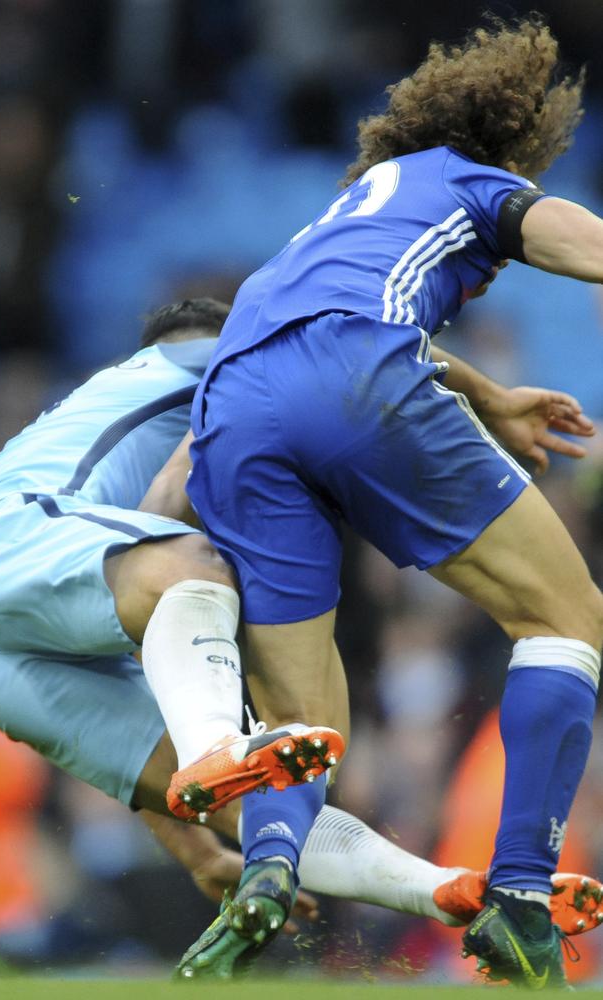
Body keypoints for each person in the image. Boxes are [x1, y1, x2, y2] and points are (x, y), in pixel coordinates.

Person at [0, 299, 600, 973]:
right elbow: (374, 350)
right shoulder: (209, 351)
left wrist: (200, 854)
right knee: (196, 566)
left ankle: (443, 889)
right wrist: (493, 397)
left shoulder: (108, 412)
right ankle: (221, 746)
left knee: (256, 808)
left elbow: (160, 785)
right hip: (3, 542)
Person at [174, 18, 603, 987]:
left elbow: (324, 324)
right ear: (505, 147)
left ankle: (270, 870)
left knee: (303, 720)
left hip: (230, 408)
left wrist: (489, 398)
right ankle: (523, 900)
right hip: (349, 373)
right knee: (565, 613)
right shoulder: (468, 177)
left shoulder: (341, 215)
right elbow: (566, 239)